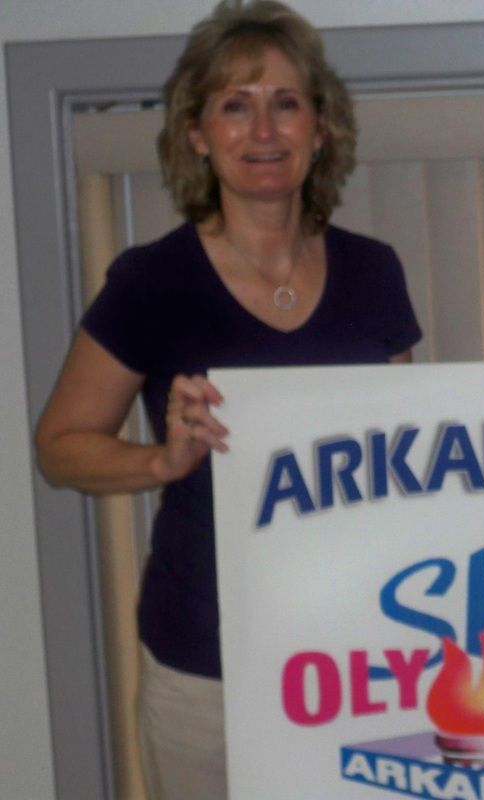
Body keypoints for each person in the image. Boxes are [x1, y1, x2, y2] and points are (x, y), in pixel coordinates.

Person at [34, 2, 421, 797]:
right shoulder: (151, 281)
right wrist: (160, 460)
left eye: (286, 102)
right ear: (198, 134)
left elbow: (399, 452)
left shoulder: (375, 271)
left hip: (356, 654)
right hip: (204, 667)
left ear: (322, 128)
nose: (264, 131)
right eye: (235, 107)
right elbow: (60, 445)